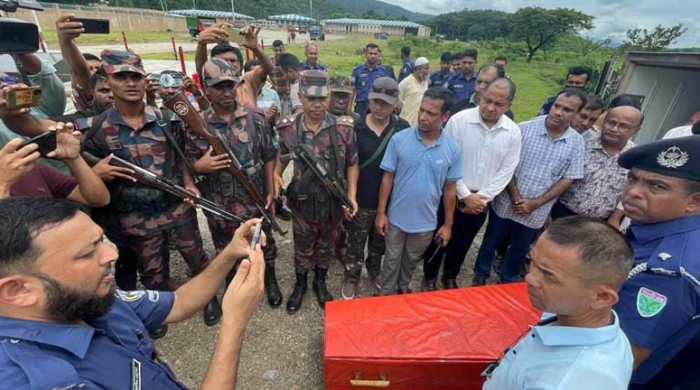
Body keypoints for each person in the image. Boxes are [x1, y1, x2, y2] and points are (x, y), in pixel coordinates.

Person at [0, 197, 265, 390]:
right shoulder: (36, 380)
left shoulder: (87, 297)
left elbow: (179, 303)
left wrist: (230, 252)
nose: (112, 255)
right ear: (19, 290)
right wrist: (234, 322)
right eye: (86, 253)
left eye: (100, 242)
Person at [77, 50, 215, 329]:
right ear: (108, 81)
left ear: (144, 81)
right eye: (121, 77)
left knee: (197, 259)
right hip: (135, 215)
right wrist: (95, 173)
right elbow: (80, 167)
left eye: (136, 77)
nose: (130, 83)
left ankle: (208, 299)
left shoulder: (167, 118)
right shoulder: (94, 128)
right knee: (152, 270)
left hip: (176, 207)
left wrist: (189, 183)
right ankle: (158, 312)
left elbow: (181, 157)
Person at [482, 216, 634, 390]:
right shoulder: (572, 312)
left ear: (601, 297)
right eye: (533, 262)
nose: (530, 278)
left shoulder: (564, 381)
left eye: (549, 276)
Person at [185, 58, 281, 311]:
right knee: (225, 249)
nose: (227, 92)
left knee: (264, 244)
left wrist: (272, 189)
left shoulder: (256, 118)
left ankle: (268, 279)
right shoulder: (197, 123)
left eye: (231, 85)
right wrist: (199, 167)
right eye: (219, 87)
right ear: (206, 88)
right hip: (219, 205)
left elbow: (270, 155)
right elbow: (184, 164)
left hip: (255, 199)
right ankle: (230, 285)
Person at [611, 136, 700, 390]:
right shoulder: (657, 227)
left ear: (694, 201)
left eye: (657, 186)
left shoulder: (667, 272)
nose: (634, 192)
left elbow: (622, 358)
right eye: (632, 178)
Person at [472, 89, 587, 286]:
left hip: (537, 211)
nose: (558, 112)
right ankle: (480, 276)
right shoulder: (523, 129)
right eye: (557, 106)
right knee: (490, 242)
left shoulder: (576, 143)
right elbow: (506, 165)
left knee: (519, 249)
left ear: (577, 115)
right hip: (507, 202)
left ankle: (506, 282)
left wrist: (535, 204)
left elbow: (568, 179)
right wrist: (516, 197)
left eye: (567, 110)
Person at [423, 79, 521, 291]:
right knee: (438, 236)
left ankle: (450, 275)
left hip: (481, 201)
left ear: (509, 105)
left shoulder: (512, 132)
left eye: (499, 104)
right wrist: (465, 194)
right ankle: (429, 276)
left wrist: (481, 197)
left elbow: (507, 169)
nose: (491, 107)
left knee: (463, 241)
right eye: (487, 100)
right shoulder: (460, 121)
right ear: (481, 94)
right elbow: (445, 159)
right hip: (449, 192)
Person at [275, 70, 358, 313]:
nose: (317, 104)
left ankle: (320, 283)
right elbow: (281, 157)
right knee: (302, 248)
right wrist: (276, 175)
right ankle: (300, 285)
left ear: (329, 96)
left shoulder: (343, 129)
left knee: (326, 247)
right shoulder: (289, 128)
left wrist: (351, 196)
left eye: (322, 98)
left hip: (333, 204)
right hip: (303, 206)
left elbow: (352, 163)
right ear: (301, 96)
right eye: (311, 98)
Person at [375, 88, 461, 295]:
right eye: (422, 110)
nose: (423, 117)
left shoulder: (452, 149)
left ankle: (403, 290)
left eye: (431, 113)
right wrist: (381, 213)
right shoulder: (399, 140)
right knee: (391, 259)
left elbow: (450, 189)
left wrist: (448, 224)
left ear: (445, 116)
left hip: (426, 223)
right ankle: (386, 295)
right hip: (396, 219)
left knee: (411, 260)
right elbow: (388, 178)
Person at [341, 77, 409, 299]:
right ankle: (351, 276)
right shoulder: (355, 127)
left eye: (386, 103)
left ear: (395, 103)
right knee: (355, 242)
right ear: (368, 100)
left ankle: (374, 269)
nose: (380, 108)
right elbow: (345, 164)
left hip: (389, 201)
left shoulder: (402, 128)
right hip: (359, 198)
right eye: (376, 102)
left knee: (380, 241)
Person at [552, 106, 642, 220]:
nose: (614, 129)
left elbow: (632, 191)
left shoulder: (636, 158)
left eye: (623, 126)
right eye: (611, 123)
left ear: (636, 130)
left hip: (599, 223)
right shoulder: (582, 145)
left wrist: (615, 219)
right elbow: (557, 178)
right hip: (562, 214)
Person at [195, 25, 274, 109]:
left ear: (240, 65)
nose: (229, 64)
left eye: (232, 60)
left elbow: (268, 68)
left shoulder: (248, 80)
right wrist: (201, 44)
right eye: (224, 61)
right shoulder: (212, 84)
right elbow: (202, 70)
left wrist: (255, 48)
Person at [351, 43, 388, 117]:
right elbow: (353, 90)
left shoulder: (383, 71)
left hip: (376, 105)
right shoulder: (357, 70)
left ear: (378, 55)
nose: (373, 56)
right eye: (370, 53)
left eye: (375, 54)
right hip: (361, 106)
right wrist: (348, 108)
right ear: (365, 54)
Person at [398, 57, 429, 126]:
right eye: (426, 69)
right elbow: (398, 105)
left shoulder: (425, 83)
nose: (427, 71)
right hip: (406, 123)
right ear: (418, 69)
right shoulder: (405, 83)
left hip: (420, 123)